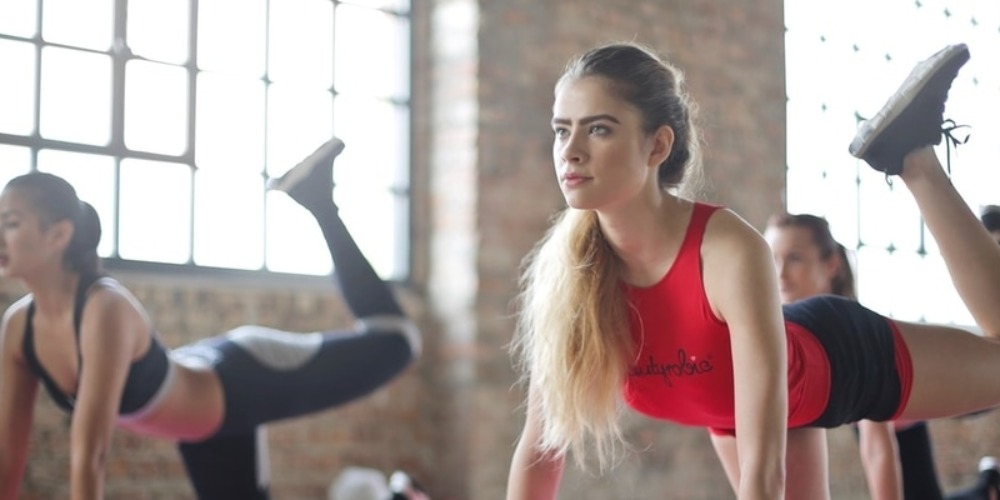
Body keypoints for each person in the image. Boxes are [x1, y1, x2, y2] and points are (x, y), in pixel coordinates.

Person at [506, 40, 1000, 499]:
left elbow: (765, 474)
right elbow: (540, 450)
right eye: (561, 130)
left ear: (657, 146)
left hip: (835, 362)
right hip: (733, 415)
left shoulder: (726, 249)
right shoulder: (569, 276)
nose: (570, 150)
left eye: (598, 129)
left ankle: (914, 158)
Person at [0, 138, 421, 499]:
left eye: (11, 224)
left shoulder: (103, 308)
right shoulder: (18, 327)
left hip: (243, 378)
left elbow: (90, 454)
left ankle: (320, 203)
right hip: (201, 427)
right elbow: (6, 457)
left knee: (398, 342)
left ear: (59, 235)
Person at [764, 213, 946, 499]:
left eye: (795, 258)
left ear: (831, 265)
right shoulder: (786, 332)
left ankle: (987, 487)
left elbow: (876, 448)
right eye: (772, 259)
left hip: (906, 424)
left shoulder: (851, 330)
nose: (780, 273)